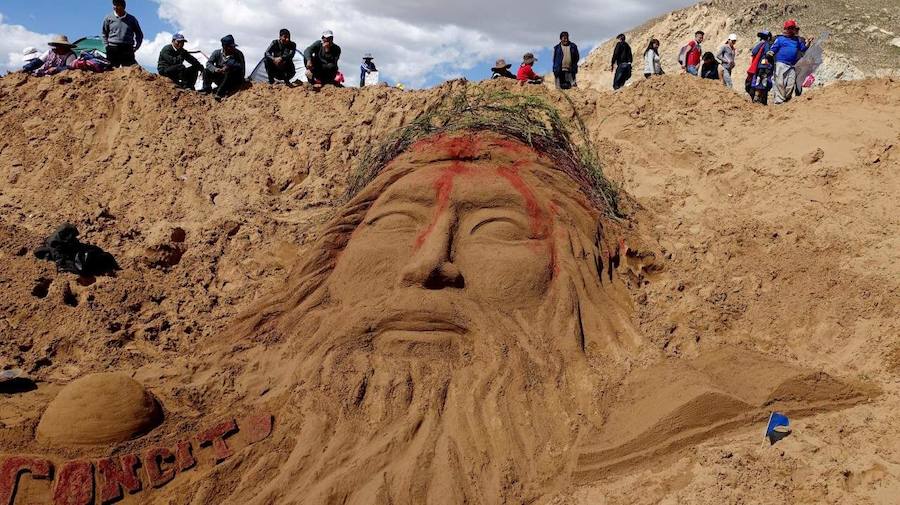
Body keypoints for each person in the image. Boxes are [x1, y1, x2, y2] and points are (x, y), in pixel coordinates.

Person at [770, 19, 814, 104]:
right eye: (789, 28)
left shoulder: (797, 40)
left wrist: (808, 42)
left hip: (792, 65)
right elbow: (773, 48)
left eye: (793, 28)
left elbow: (803, 49)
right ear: (785, 29)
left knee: (790, 84)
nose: (791, 30)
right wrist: (770, 53)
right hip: (780, 63)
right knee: (779, 83)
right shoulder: (780, 39)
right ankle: (779, 101)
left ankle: (787, 99)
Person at [202, 35, 246, 100]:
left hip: (233, 79)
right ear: (224, 47)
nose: (233, 48)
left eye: (233, 46)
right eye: (230, 47)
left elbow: (241, 68)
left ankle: (220, 93)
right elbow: (209, 63)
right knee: (206, 71)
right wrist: (216, 69)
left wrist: (229, 66)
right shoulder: (216, 53)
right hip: (221, 77)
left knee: (229, 72)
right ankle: (206, 89)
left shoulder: (238, 54)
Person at [101, 0, 143, 68]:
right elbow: (104, 33)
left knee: (130, 71)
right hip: (112, 48)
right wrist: (107, 46)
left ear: (122, 7)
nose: (114, 7)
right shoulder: (108, 18)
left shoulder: (132, 19)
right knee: (111, 71)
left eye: (117, 5)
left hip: (127, 48)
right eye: (114, 5)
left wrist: (137, 46)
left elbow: (139, 34)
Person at [746, 31, 775, 104]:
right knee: (762, 82)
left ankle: (757, 98)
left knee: (759, 81)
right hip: (765, 67)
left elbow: (754, 52)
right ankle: (757, 98)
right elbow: (768, 54)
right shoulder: (767, 44)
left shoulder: (759, 44)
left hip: (759, 67)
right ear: (768, 37)